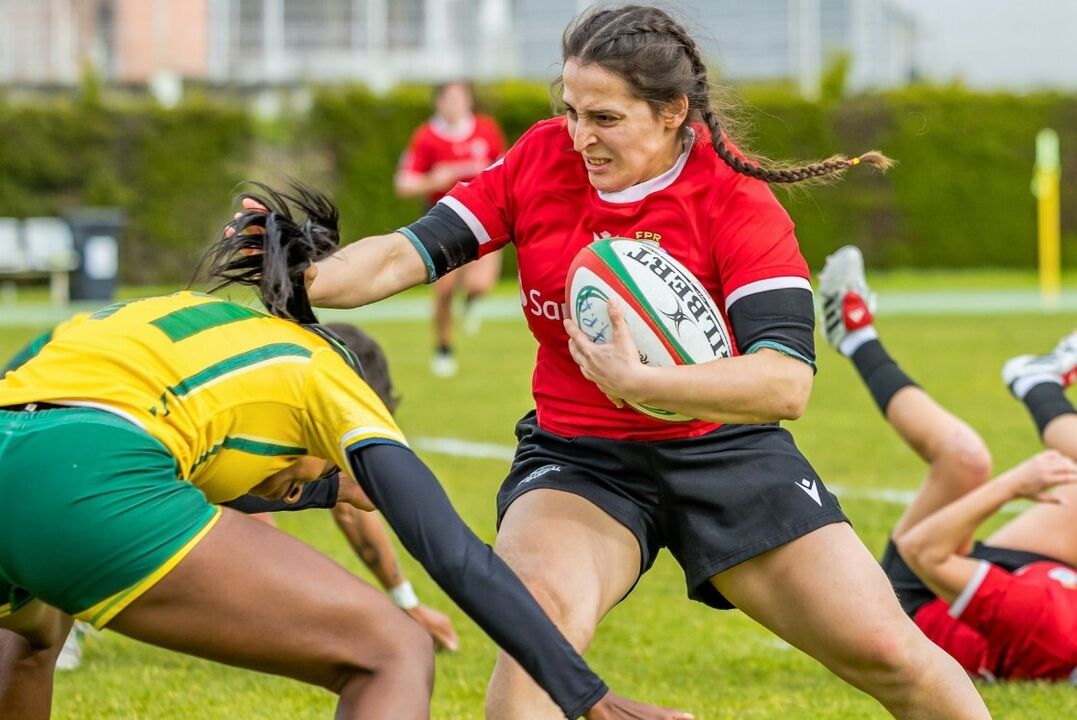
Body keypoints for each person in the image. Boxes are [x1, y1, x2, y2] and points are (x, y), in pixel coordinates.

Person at [245, 5, 990, 717]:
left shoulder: (736, 205)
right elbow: (404, 255)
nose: (579, 137)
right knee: (536, 637)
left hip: (725, 449)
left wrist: (645, 382)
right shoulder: (540, 158)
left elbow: (784, 381)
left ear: (673, 114)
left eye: (604, 118)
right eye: (570, 109)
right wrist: (296, 274)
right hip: (580, 459)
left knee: (888, 651)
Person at [0, 184, 692, 720]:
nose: (290, 491)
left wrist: (325, 491)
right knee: (392, 650)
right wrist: (586, 696)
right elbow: (453, 552)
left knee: (32, 643)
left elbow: (194, 469)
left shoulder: (168, 321)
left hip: (22, 452)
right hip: (91, 477)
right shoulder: (332, 381)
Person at [3, 319, 459, 661]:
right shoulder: (290, 390)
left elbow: (339, 497)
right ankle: (63, 607)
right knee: (388, 655)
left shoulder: (264, 356)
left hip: (55, 414)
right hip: (57, 411)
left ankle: (55, 613)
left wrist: (405, 600)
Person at [819, 245, 1077, 683]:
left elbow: (923, 551)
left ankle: (856, 336)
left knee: (965, 458)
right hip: (1013, 581)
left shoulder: (1049, 623)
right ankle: (1038, 381)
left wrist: (1013, 484)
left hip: (917, 599)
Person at [226, 322, 460, 653]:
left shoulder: (288, 380)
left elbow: (349, 503)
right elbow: (244, 518)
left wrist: (406, 603)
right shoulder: (260, 411)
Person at [394, 80, 507, 377]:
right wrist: (434, 179)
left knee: (480, 284)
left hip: (486, 216)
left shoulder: (485, 130)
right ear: (439, 103)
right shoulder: (427, 137)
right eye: (450, 98)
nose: (456, 104)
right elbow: (404, 184)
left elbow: (506, 169)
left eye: (461, 98)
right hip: (443, 220)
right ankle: (443, 349)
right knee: (443, 290)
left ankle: (471, 302)